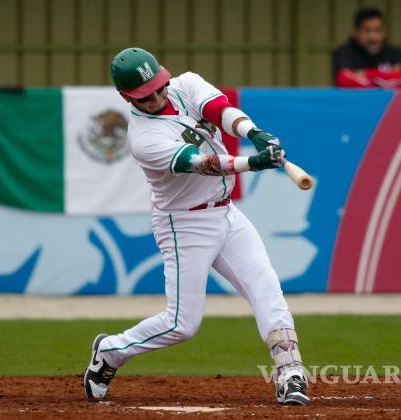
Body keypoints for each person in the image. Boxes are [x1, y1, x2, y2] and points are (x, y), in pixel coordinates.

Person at [83, 47, 310, 406]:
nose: (157, 97)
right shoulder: (144, 139)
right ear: (127, 97)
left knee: (266, 287)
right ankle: (110, 351)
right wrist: (253, 162)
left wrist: (254, 133)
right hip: (184, 223)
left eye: (158, 87)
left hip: (226, 212)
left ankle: (290, 373)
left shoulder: (186, 84)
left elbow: (221, 111)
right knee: (181, 325)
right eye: (146, 95)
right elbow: (203, 163)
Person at [333, 7, 401, 88]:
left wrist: (366, 74)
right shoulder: (344, 52)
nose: (373, 37)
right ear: (355, 31)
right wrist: (387, 78)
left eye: (378, 30)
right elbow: (344, 79)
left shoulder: (396, 52)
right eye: (367, 30)